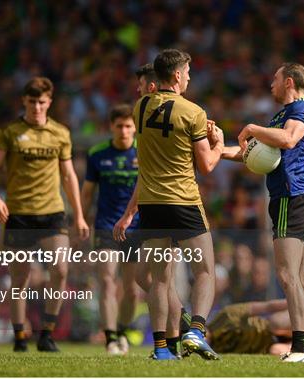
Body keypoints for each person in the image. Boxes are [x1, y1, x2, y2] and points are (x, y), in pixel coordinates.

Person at [223, 63, 304, 362]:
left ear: (289, 82)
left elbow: (288, 140)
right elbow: (256, 154)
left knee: (287, 275)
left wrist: (252, 128)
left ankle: (300, 348)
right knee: (300, 275)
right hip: (291, 197)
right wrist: (217, 150)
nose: (270, 85)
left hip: (291, 196)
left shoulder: (300, 109)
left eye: (274, 80)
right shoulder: (281, 116)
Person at [114, 50, 224, 360]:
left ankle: (161, 349)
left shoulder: (140, 107)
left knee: (160, 279)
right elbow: (207, 165)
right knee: (204, 271)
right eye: (187, 72)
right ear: (176, 75)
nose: (189, 77)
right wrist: (216, 142)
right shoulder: (193, 112)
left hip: (151, 204)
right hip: (183, 201)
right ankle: (196, 331)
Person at [0, 77, 89, 352]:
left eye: (42, 102)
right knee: (20, 278)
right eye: (32, 102)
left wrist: (78, 214)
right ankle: (20, 337)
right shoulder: (9, 131)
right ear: (24, 101)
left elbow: (68, 175)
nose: (37, 107)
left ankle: (47, 333)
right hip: (18, 213)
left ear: (49, 102)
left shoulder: (60, 133)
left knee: (61, 269)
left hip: (52, 212)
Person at [113, 64, 193, 358]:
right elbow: (144, 175)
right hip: (152, 209)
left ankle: (175, 339)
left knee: (162, 278)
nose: (136, 92)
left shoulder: (160, 121)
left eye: (140, 86)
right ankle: (181, 323)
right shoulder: (149, 123)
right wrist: (131, 213)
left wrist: (129, 213)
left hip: (170, 207)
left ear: (151, 88)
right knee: (148, 277)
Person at [81, 104, 143, 355]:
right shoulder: (97, 154)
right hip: (106, 226)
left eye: (129, 126)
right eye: (120, 126)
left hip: (136, 228)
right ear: (111, 127)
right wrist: (81, 221)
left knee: (131, 290)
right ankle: (109, 339)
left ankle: (121, 329)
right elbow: (87, 192)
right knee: (106, 282)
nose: (124, 131)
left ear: (135, 128)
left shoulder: (144, 152)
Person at [207, 298, 304, 356]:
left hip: (274, 328)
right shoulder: (212, 351)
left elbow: (267, 306)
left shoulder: (226, 315)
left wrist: (298, 302)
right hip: (269, 346)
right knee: (275, 351)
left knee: (275, 323)